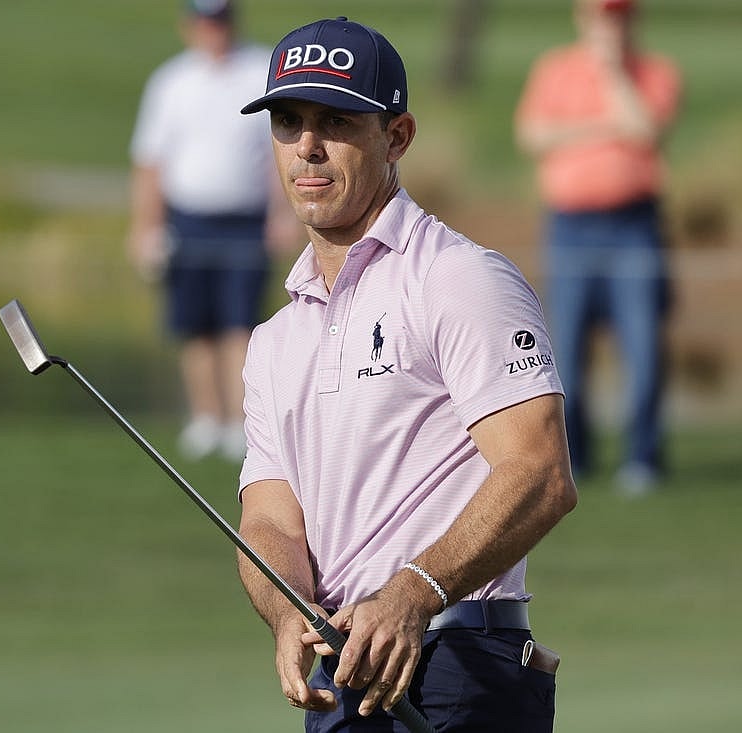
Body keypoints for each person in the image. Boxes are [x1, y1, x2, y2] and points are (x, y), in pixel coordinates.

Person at [235, 17, 578, 732]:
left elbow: (540, 473)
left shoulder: (457, 278)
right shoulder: (273, 340)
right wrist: (287, 611)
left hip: (460, 662)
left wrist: (413, 593)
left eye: (336, 121)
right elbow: (269, 518)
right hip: (344, 671)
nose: (307, 145)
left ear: (396, 137)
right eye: (289, 121)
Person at [515, 0, 682, 495]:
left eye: (620, 18)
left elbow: (646, 129)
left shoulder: (655, 72)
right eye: (603, 17)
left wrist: (612, 74)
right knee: (566, 349)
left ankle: (644, 458)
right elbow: (533, 135)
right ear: (583, 20)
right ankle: (577, 456)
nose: (611, 27)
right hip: (570, 226)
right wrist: (603, 126)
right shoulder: (554, 69)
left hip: (634, 225)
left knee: (643, 346)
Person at [127, 0, 297, 462]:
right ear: (190, 26)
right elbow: (151, 161)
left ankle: (241, 423)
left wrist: (282, 214)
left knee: (240, 324)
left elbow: (278, 152)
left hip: (245, 220)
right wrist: (145, 226)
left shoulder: (258, 70)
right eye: (205, 23)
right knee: (195, 325)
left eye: (219, 22)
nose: (213, 32)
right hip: (187, 218)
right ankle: (206, 418)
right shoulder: (171, 81)